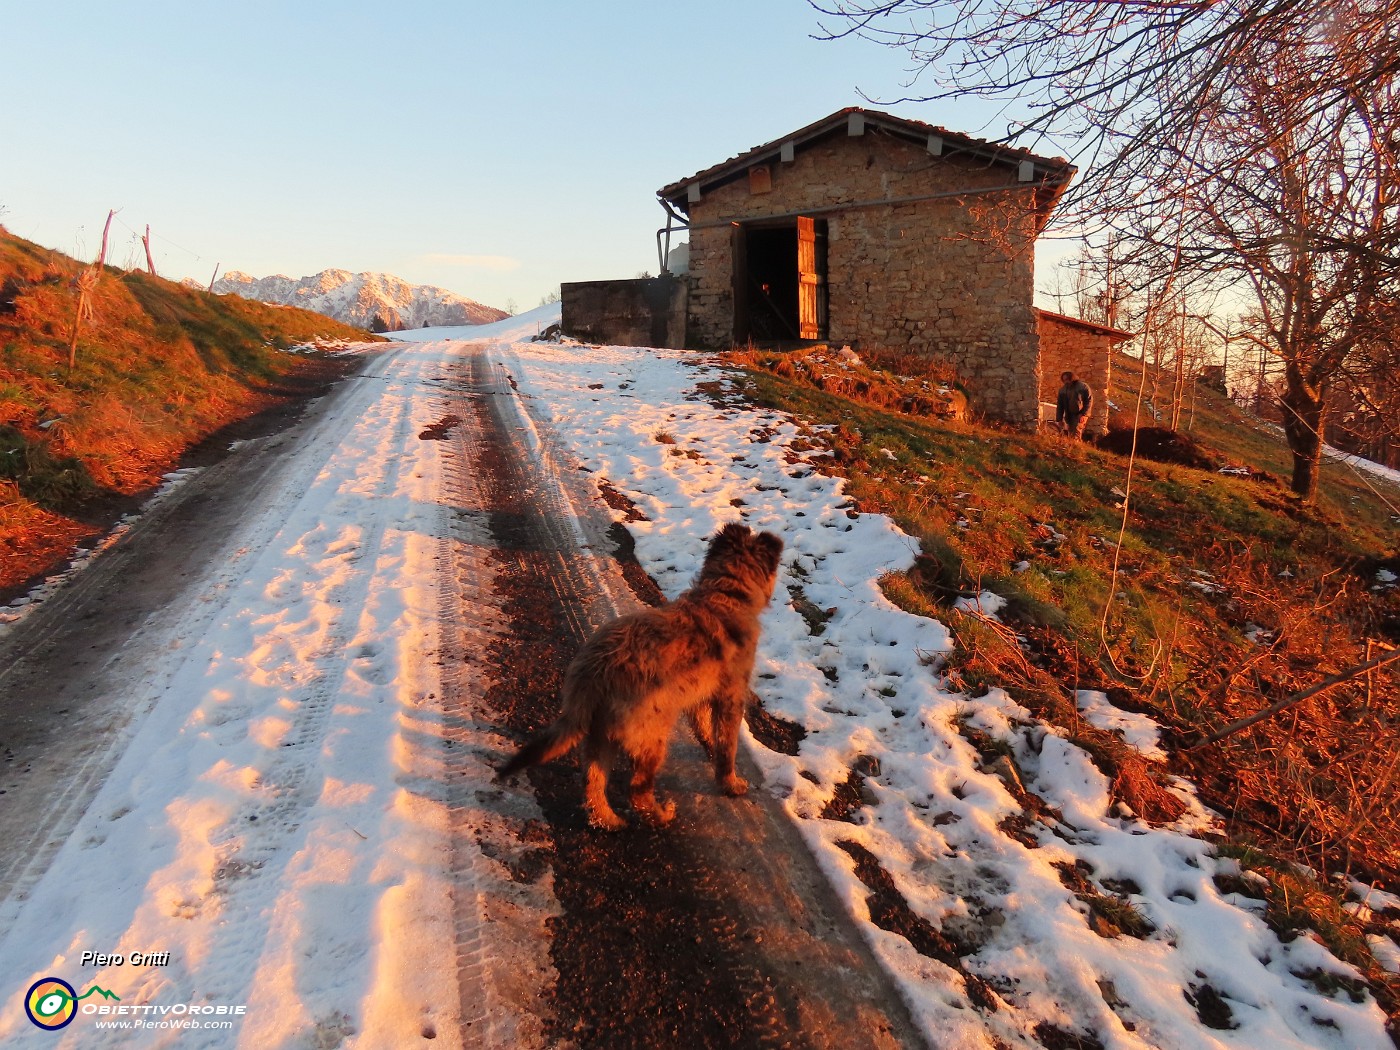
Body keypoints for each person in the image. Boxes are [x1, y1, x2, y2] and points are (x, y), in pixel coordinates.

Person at [1056, 371, 1092, 439]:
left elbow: (1089, 401)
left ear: (1072, 378)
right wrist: (1059, 419)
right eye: (1064, 380)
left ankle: (1075, 447)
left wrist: (1084, 414)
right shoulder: (1062, 390)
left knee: (1076, 433)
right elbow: (1060, 405)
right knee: (1071, 434)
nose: (1066, 381)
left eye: (1067, 379)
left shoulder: (1083, 387)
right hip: (1069, 415)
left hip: (1080, 414)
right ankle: (1075, 448)